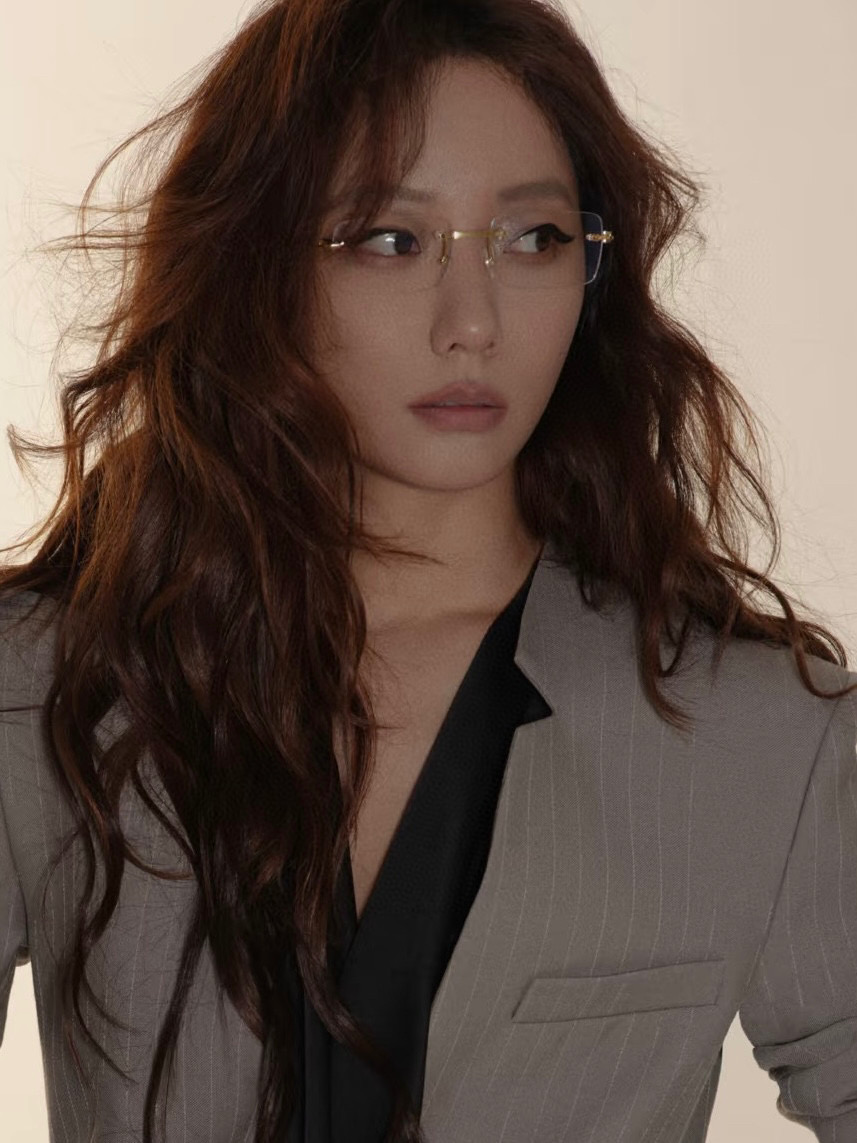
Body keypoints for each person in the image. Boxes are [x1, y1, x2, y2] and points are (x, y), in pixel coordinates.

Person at [1, 1, 855, 1141]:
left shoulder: (758, 734)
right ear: (256, 262)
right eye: (389, 240)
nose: (472, 323)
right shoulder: (49, 686)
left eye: (533, 238)